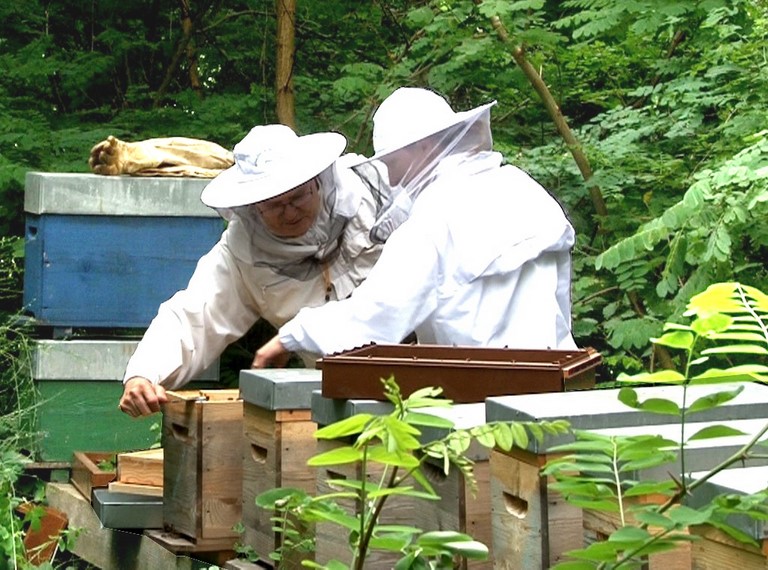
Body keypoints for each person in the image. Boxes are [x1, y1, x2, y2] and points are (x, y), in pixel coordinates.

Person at [254, 87, 577, 367]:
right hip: (556, 386)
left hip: (483, 401)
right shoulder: (525, 190)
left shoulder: (435, 216)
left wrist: (292, 336)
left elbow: (376, 316)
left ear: (424, 147)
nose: (391, 179)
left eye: (392, 163)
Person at [118, 124, 383, 417]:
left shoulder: (376, 202)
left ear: (317, 181)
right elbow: (195, 315)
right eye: (275, 205)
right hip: (338, 402)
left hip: (426, 378)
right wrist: (143, 374)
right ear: (253, 207)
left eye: (298, 197)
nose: (290, 211)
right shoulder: (243, 252)